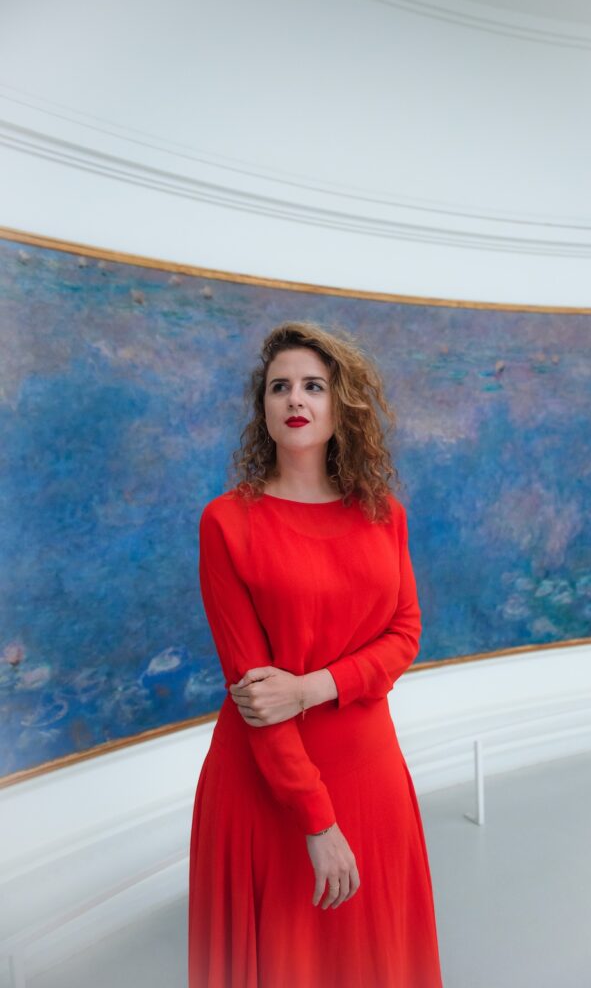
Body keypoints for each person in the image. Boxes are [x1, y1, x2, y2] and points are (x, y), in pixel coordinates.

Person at [188, 320, 444, 987]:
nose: (295, 398)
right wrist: (317, 821)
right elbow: (256, 697)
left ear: (340, 404)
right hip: (270, 786)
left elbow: (405, 633)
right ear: (264, 408)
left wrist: (311, 688)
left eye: (313, 385)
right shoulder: (227, 523)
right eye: (279, 387)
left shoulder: (384, 514)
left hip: (372, 772)